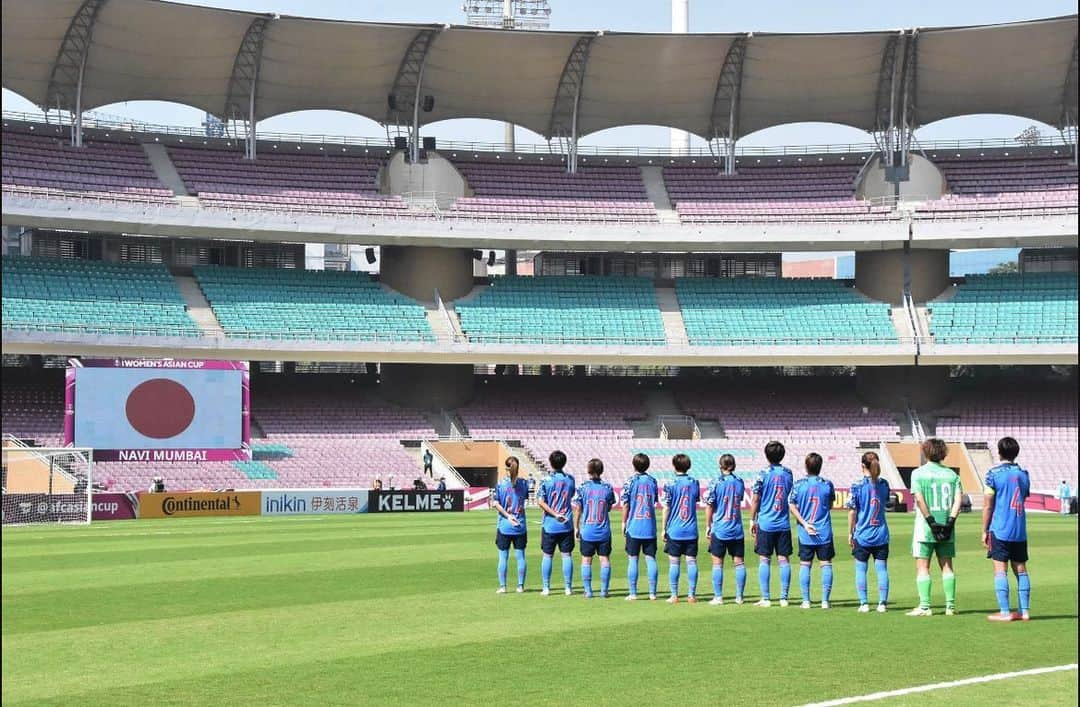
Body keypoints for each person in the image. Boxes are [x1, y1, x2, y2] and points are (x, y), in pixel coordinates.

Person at [907, 438, 962, 617]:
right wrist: (950, 522)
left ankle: (925, 606)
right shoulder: (952, 475)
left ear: (926, 452)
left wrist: (931, 521)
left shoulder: (918, 473)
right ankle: (950, 606)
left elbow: (919, 499)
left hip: (926, 528)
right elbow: (958, 501)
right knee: (947, 566)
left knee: (923, 566)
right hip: (947, 527)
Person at [983, 436, 1032, 622]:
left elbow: (988, 504)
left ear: (999, 451)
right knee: (1021, 568)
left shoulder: (993, 474)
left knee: (1000, 570)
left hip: (1000, 527)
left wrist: (984, 530)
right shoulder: (1023, 474)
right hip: (1019, 528)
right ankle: (1024, 611)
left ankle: (1005, 612)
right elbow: (1023, 496)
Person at [749, 441, 795, 607]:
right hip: (783, 522)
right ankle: (784, 598)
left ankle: (766, 598)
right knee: (784, 559)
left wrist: (751, 520)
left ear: (766, 455)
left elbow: (755, 499)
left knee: (764, 559)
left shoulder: (763, 473)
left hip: (766, 523)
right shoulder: (788, 473)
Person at [789, 453, 836, 610]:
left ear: (806, 466)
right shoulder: (827, 484)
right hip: (824, 531)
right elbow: (829, 504)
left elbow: (792, 505)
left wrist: (804, 522)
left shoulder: (799, 485)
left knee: (805, 565)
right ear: (820, 466)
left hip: (805, 532)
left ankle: (806, 600)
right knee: (826, 564)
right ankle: (825, 601)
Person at [846, 451, 891, 613]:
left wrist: (850, 532)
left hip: (863, 534)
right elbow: (885, 501)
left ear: (862, 465)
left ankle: (864, 603)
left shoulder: (857, 485)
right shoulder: (884, 484)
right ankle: (882, 603)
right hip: (881, 534)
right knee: (882, 569)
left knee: (860, 569)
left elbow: (852, 511)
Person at [704, 454, 747, 606]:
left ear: (720, 466)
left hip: (720, 528)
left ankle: (718, 597)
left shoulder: (715, 482)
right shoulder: (739, 482)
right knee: (739, 563)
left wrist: (708, 525)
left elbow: (709, 505)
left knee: (717, 564)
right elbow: (740, 499)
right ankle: (740, 597)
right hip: (736, 528)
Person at [573, 458, 617, 599]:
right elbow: (609, 507)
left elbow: (578, 509)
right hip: (603, 530)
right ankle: (604, 591)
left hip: (588, 530)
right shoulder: (608, 488)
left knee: (586, 560)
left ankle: (588, 591)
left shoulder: (583, 487)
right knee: (604, 559)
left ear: (589, 471)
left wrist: (576, 527)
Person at [661, 453, 700, 604]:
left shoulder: (670, 483)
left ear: (674, 466)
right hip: (691, 529)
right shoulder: (694, 482)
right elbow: (695, 500)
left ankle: (674, 595)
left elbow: (666, 508)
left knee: (674, 563)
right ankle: (691, 595)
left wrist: (663, 528)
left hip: (675, 529)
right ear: (688, 466)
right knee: (691, 562)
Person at [536, 450, 576, 596]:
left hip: (550, 524)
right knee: (566, 555)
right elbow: (571, 496)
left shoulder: (546, 480)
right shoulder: (570, 479)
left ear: (551, 463)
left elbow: (540, 501)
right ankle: (568, 588)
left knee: (547, 556)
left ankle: (546, 588)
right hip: (566, 524)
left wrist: (554, 514)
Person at [621, 452, 660, 601]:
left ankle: (633, 593)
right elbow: (654, 501)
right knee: (651, 559)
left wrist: (624, 523)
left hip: (634, 526)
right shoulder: (653, 481)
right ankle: (652, 593)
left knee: (633, 559)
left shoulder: (630, 481)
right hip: (649, 526)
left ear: (634, 465)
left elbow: (625, 504)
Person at [493, 456, 529, 594]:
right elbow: (523, 499)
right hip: (520, 525)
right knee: (520, 556)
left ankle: (503, 586)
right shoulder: (524, 484)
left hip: (505, 525)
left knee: (503, 557)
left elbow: (495, 503)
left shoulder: (501, 484)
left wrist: (508, 516)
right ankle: (520, 586)